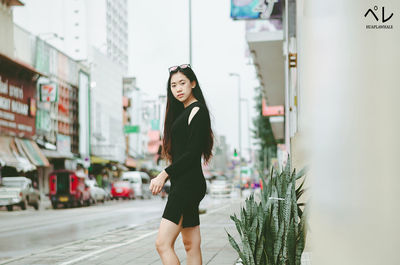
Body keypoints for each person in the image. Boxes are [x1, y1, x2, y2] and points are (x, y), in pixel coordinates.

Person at [149, 64, 214, 265]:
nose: (178, 89)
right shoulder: (184, 112)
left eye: (182, 83)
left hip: (187, 185)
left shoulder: (197, 111)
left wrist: (164, 174)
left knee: (162, 243)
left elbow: (192, 153)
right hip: (187, 183)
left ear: (193, 83)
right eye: (173, 85)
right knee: (190, 244)